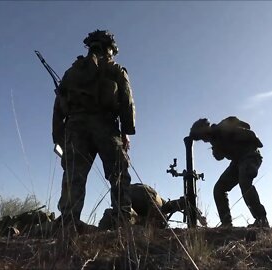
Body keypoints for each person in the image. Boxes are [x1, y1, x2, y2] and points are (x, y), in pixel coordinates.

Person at [52, 30, 136, 228]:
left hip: (75, 128)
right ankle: (122, 220)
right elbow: (127, 102)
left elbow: (58, 107)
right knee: (118, 173)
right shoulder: (115, 70)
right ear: (110, 49)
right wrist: (126, 132)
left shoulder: (72, 73)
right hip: (105, 126)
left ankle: (68, 223)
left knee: (73, 177)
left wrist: (58, 137)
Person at [189, 116, 268, 228]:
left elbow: (246, 126)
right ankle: (226, 223)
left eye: (202, 136)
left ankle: (261, 220)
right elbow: (219, 157)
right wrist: (216, 146)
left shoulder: (223, 126)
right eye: (201, 138)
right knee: (219, 189)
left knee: (244, 182)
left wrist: (232, 130)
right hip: (237, 162)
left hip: (250, 155)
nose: (204, 140)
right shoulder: (215, 141)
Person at [98, 183, 207, 230]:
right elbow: (176, 204)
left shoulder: (130, 194)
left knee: (114, 214)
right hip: (152, 199)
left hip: (148, 202)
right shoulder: (130, 192)